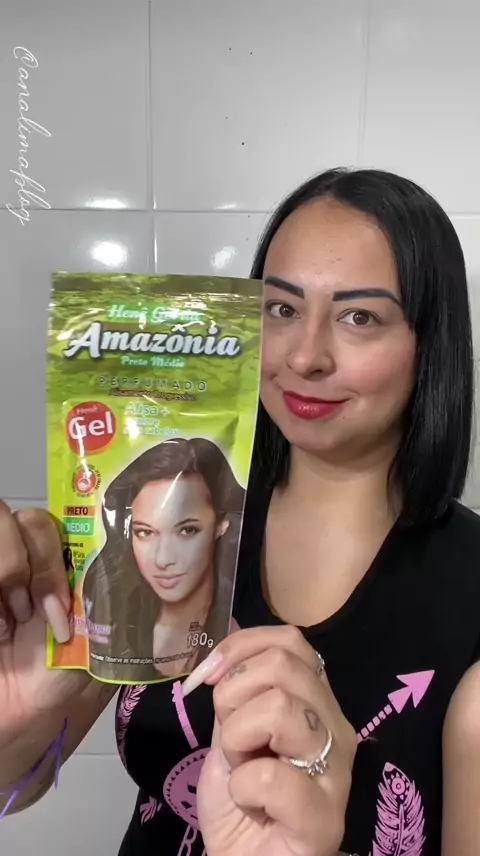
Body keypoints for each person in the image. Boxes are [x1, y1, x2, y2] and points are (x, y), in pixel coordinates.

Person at [1, 167, 480, 856]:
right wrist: (15, 714)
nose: (305, 356)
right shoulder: (180, 522)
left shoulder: (468, 596)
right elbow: (17, 781)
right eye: (281, 309)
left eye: (360, 317)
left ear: (428, 343)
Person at [81, 438, 245, 681]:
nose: (163, 559)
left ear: (221, 525)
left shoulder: (247, 624)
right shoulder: (116, 627)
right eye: (144, 532)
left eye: (187, 530)